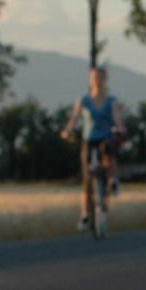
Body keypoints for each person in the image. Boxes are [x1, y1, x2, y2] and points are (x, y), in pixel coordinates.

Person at [61, 66, 121, 231]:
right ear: (90, 80)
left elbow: (117, 118)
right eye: (94, 77)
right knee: (87, 178)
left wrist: (120, 128)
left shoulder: (111, 100)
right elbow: (74, 117)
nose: (97, 80)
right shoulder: (84, 100)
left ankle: (113, 181)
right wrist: (68, 130)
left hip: (105, 138)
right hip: (89, 139)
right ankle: (85, 214)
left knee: (110, 154)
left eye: (100, 77)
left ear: (105, 79)